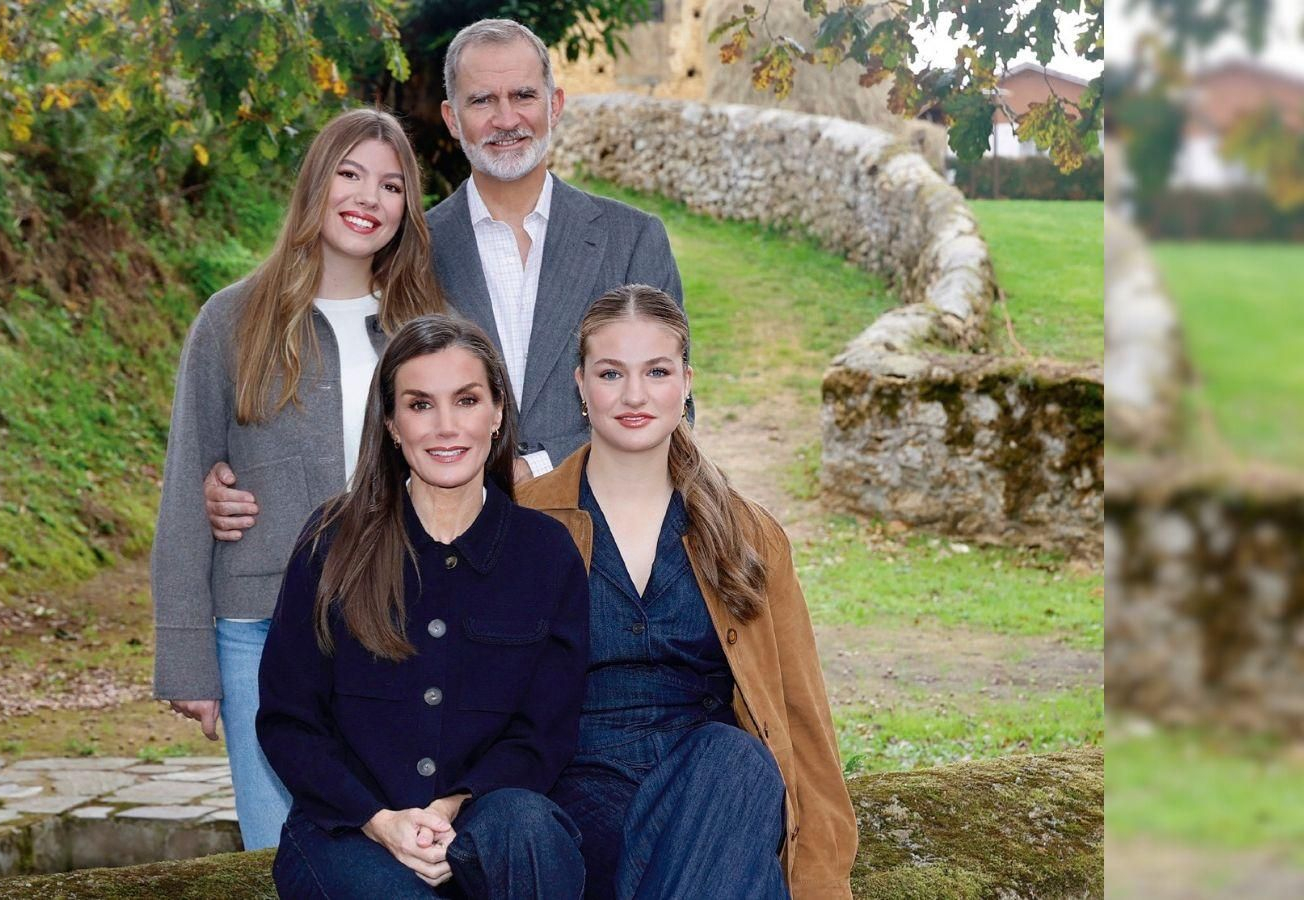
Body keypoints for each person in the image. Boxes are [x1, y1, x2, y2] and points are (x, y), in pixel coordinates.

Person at [202, 17, 685, 538]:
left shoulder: (633, 239)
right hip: (447, 553)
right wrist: (240, 471)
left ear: (555, 104)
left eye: (523, 95)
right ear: (452, 118)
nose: (506, 119)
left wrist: (541, 470)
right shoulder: (408, 250)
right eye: (481, 101)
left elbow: (675, 407)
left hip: (603, 536)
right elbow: (350, 374)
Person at [150, 108, 447, 851]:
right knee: (279, 853)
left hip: (401, 622)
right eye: (349, 174)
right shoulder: (231, 321)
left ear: (407, 208)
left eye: (390, 185)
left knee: (395, 854)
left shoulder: (429, 328)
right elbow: (189, 489)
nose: (367, 198)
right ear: (315, 184)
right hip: (261, 630)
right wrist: (188, 659)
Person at [516, 285, 858, 899]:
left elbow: (803, 720)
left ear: (687, 381)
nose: (635, 395)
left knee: (735, 759)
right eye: (611, 372)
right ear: (581, 385)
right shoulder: (524, 522)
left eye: (656, 371)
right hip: (579, 795)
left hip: (712, 795)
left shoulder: (747, 534)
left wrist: (825, 880)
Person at [258, 314, 589, 899]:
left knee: (529, 826)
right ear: (390, 423)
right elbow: (290, 720)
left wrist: (453, 808)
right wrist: (382, 822)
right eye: (419, 405)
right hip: (347, 830)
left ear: (497, 414)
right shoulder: (331, 540)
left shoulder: (545, 552)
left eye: (466, 400)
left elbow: (545, 732)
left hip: (487, 822)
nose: (445, 427)